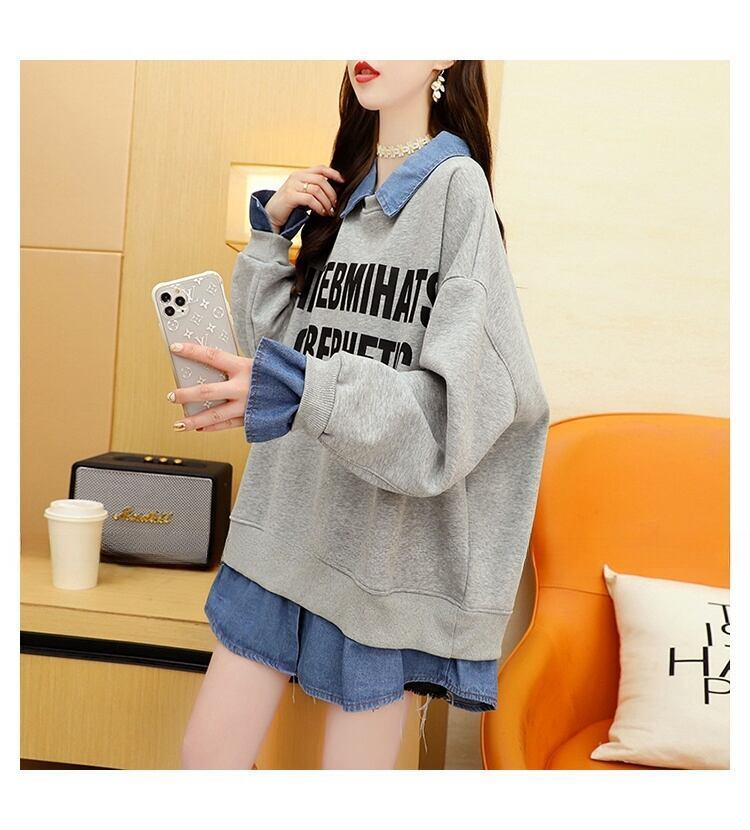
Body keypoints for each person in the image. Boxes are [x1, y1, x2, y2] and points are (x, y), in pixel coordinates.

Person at [178, 60, 550, 770]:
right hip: (283, 523)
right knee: (205, 761)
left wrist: (306, 388)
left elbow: (458, 407)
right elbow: (279, 357)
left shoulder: (457, 190)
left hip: (378, 551)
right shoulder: (341, 189)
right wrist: (270, 236)